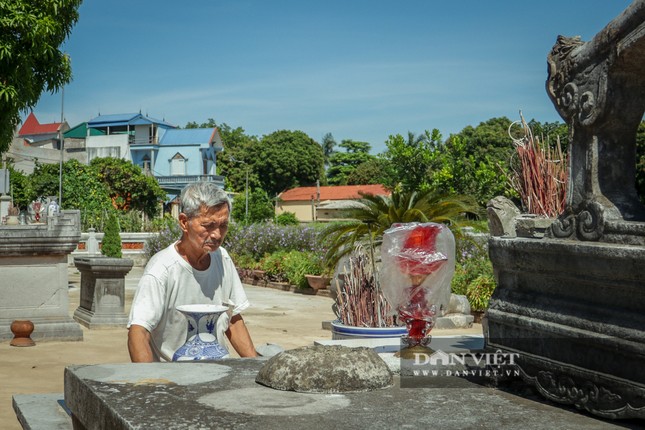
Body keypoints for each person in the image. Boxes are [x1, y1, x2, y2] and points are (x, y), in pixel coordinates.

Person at [127, 181, 258, 362]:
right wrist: (151, 383)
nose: (217, 234)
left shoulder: (222, 259)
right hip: (174, 377)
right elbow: (138, 332)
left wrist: (256, 365)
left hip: (219, 371)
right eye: (208, 225)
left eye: (223, 225)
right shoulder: (162, 269)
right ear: (184, 222)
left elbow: (232, 319)